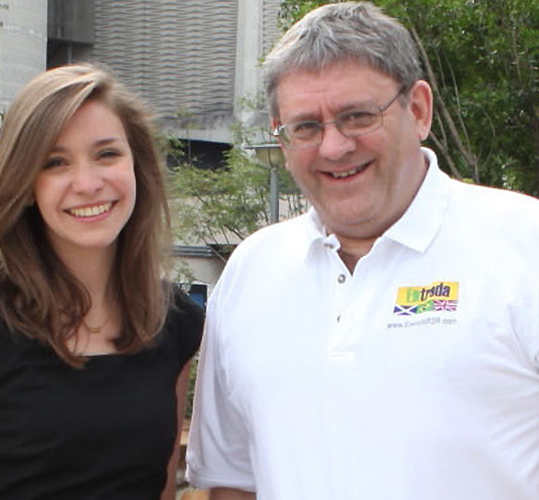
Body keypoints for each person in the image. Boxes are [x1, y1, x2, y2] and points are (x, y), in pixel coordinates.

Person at [186, 2, 539, 499]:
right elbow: (233, 483)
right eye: (306, 127)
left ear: (418, 110)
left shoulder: (525, 244)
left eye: (357, 116)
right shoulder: (251, 272)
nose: (334, 147)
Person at [0, 63, 204, 499]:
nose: (87, 183)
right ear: (26, 183)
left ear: (137, 164)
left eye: (107, 154)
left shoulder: (173, 320)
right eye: (55, 162)